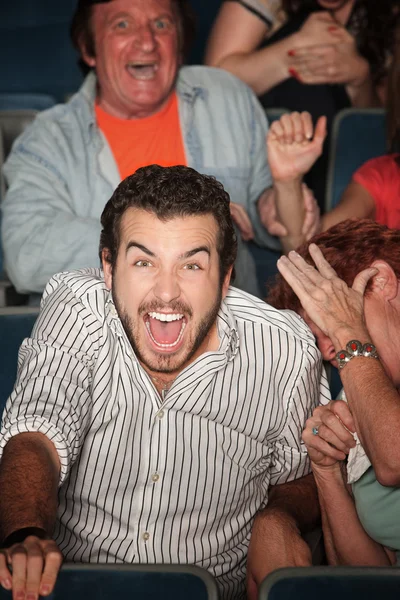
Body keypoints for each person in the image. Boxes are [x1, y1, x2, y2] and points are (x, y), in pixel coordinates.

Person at [0, 165, 330, 600]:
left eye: (192, 265)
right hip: (76, 587)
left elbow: (305, 476)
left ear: (225, 276)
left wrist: (279, 516)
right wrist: (25, 531)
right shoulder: (77, 307)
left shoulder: (286, 348)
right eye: (143, 262)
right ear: (108, 267)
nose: (168, 293)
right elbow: (36, 436)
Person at [1, 0, 298, 300]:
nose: (146, 42)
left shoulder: (226, 96)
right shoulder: (49, 138)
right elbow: (25, 253)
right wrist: (187, 226)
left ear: (179, 42)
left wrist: (279, 199)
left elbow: (265, 218)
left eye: (161, 24)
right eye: (122, 25)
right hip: (104, 339)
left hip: (227, 331)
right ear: (89, 48)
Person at [267, 218, 400, 565]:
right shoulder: (360, 393)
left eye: (329, 320)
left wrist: (346, 329)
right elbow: (362, 577)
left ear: (381, 280)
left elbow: (394, 461)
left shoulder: (355, 353)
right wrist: (327, 470)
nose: (329, 350)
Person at [205, 0, 397, 206]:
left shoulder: (390, 11)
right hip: (260, 156)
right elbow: (210, 87)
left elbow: (385, 127)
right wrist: (292, 52)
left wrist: (360, 78)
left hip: (346, 173)